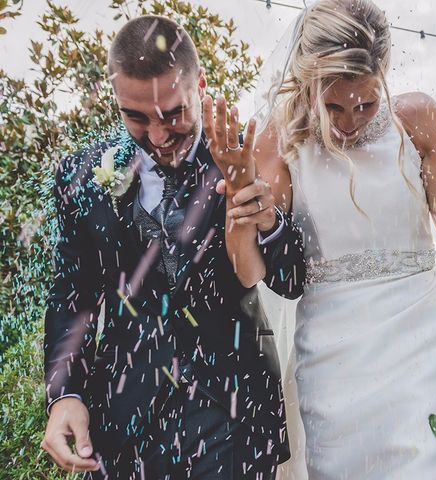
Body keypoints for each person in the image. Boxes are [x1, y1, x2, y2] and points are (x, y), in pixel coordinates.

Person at [224, 0, 436, 478]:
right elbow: (252, 271)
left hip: (428, 348)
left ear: (385, 73)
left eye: (366, 103)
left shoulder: (417, 121)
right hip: (335, 363)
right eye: (333, 104)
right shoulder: (281, 140)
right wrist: (238, 209)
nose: (350, 121)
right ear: (309, 79)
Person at [41, 15, 304, 479]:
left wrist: (266, 218)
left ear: (199, 84)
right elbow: (72, 294)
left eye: (173, 114)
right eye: (137, 117)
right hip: (124, 423)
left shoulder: (250, 152)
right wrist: (65, 394)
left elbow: (293, 279)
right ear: (117, 99)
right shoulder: (81, 176)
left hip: (234, 415)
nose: (159, 136)